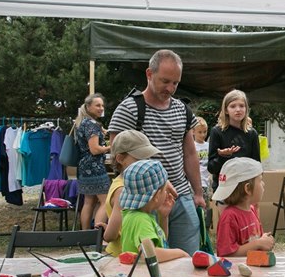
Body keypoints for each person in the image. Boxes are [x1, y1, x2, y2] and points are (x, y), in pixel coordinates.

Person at [108, 49, 205, 255]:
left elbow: (189, 153)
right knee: (153, 260)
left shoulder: (182, 109)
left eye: (175, 83)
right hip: (145, 201)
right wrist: (157, 184)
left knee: (188, 258)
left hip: (181, 196)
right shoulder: (129, 109)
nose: (170, 88)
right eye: (165, 81)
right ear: (149, 74)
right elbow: (117, 156)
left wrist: (197, 193)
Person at [103, 130, 166, 256]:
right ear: (120, 158)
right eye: (141, 158)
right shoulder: (123, 190)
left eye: (148, 157)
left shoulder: (122, 183)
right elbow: (110, 236)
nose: (146, 162)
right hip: (124, 257)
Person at [119, 159, 189, 262]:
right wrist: (180, 252)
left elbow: (161, 243)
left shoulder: (136, 215)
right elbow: (149, 254)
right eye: (165, 190)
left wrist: (164, 217)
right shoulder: (141, 220)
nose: (166, 194)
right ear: (156, 195)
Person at [212, 157, 274, 257]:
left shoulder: (252, 209)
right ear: (248, 189)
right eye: (260, 180)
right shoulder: (229, 217)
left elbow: (255, 239)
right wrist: (258, 244)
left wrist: (264, 240)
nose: (263, 184)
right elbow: (227, 254)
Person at [207, 89, 260, 196]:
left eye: (241, 106)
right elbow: (211, 168)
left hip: (245, 189)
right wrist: (223, 156)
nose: (238, 109)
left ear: (246, 109)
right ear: (226, 110)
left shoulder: (252, 134)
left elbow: (257, 165)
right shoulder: (217, 132)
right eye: (233, 106)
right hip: (224, 188)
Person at [74, 93, 111, 231]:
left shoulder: (82, 122)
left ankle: (85, 235)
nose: (101, 108)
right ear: (88, 106)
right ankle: (96, 234)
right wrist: (110, 147)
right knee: (106, 201)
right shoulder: (92, 124)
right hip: (95, 167)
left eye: (102, 105)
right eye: (97, 105)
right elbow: (95, 149)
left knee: (89, 202)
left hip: (84, 167)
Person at [193, 117, 211, 206]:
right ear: (193, 132)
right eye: (200, 132)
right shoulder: (192, 146)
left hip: (206, 181)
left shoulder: (209, 146)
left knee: (205, 208)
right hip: (195, 183)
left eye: (205, 132)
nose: (203, 134)